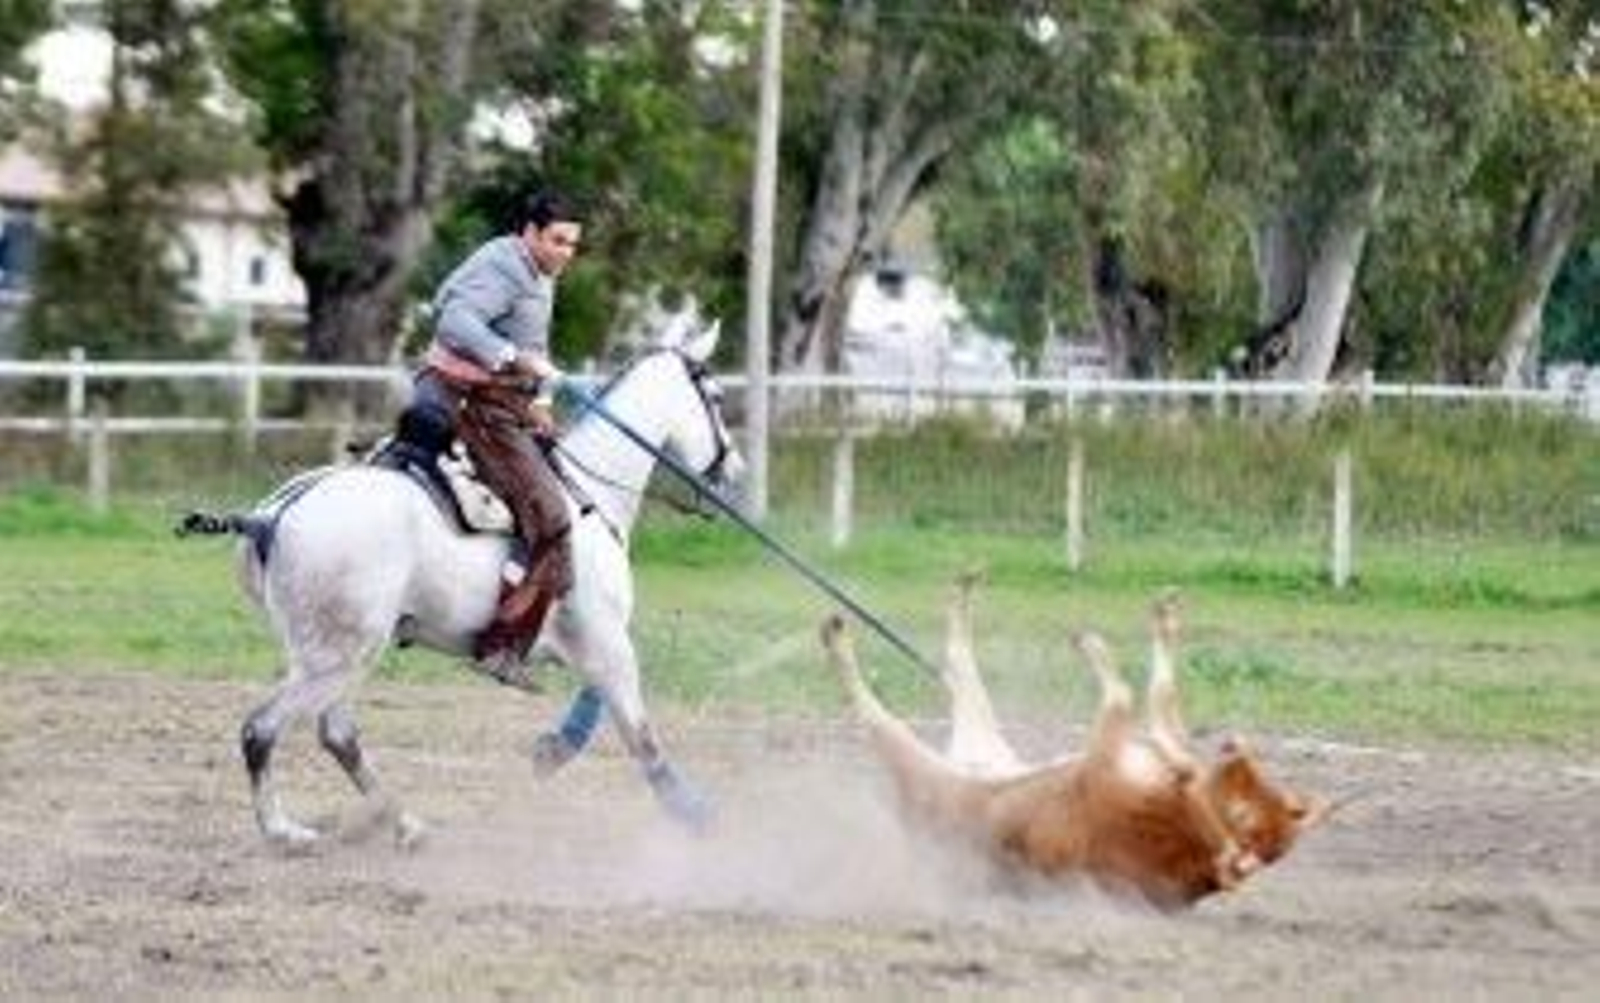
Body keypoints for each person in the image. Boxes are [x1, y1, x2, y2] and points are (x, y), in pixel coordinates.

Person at [412, 190, 584, 673]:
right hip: (468, 404)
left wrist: (542, 401)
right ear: (529, 232)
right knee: (551, 513)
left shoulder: (540, 271)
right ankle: (501, 643)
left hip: (505, 402)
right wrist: (509, 357)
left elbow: (535, 347)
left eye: (573, 244)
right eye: (558, 241)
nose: (566, 253)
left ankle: (543, 610)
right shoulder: (504, 265)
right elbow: (455, 322)